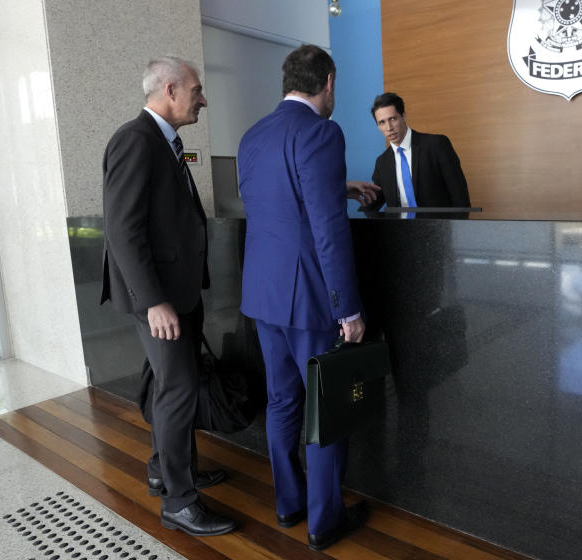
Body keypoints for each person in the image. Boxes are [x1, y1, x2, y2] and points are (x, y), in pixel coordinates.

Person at [237, 44, 369, 551]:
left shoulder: (253, 135)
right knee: (326, 408)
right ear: (329, 82)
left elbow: (278, 203)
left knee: (282, 401)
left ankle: (289, 505)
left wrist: (340, 188)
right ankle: (324, 522)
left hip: (263, 296)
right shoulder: (321, 131)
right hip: (311, 299)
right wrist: (348, 308)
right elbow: (327, 229)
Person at [100, 56, 235, 537]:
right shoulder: (135, 140)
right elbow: (123, 230)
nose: (203, 99)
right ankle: (180, 501)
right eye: (197, 90)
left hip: (178, 292)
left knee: (168, 384)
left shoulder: (164, 141)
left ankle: (166, 468)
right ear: (172, 89)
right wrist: (154, 300)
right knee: (178, 390)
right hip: (161, 299)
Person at [359, 92, 470, 212]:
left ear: (404, 116)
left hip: (440, 228)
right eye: (382, 122)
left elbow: (460, 197)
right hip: (402, 230)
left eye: (392, 118)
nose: (389, 127)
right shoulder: (382, 163)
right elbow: (373, 202)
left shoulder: (437, 145)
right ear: (378, 126)